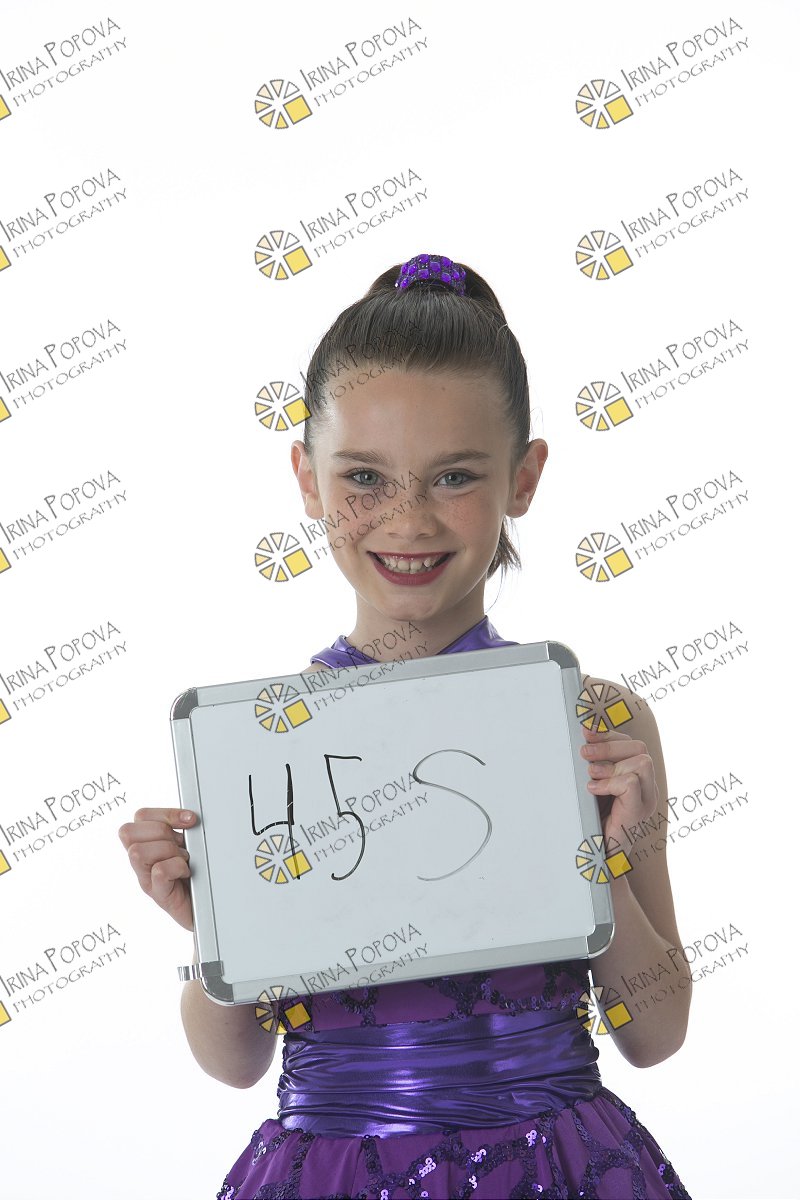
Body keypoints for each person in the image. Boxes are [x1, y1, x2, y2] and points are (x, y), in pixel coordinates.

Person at [119, 253, 693, 1199]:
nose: (408, 519)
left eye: (454, 476)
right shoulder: (263, 741)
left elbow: (656, 1034)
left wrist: (609, 864)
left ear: (525, 477)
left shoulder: (596, 721)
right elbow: (232, 1063)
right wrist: (217, 924)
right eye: (365, 478)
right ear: (307, 478)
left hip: (557, 1166)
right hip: (334, 1167)